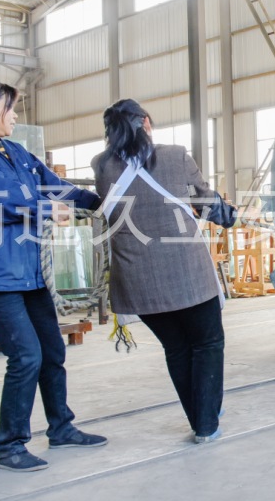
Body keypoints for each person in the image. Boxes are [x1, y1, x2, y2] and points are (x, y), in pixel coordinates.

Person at [0, 77, 106, 473]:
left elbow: (53, 186)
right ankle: (10, 445)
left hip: (28, 271)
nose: (14, 115)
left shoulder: (14, 151)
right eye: (8, 107)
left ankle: (61, 427)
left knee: (52, 351)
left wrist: (101, 202)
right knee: (26, 355)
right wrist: (47, 209)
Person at [92, 99, 239, 444]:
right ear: (145, 122)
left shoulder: (101, 166)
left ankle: (201, 418)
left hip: (137, 282)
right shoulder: (175, 156)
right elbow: (204, 202)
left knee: (177, 348)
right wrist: (229, 214)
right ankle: (206, 423)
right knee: (207, 343)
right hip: (187, 275)